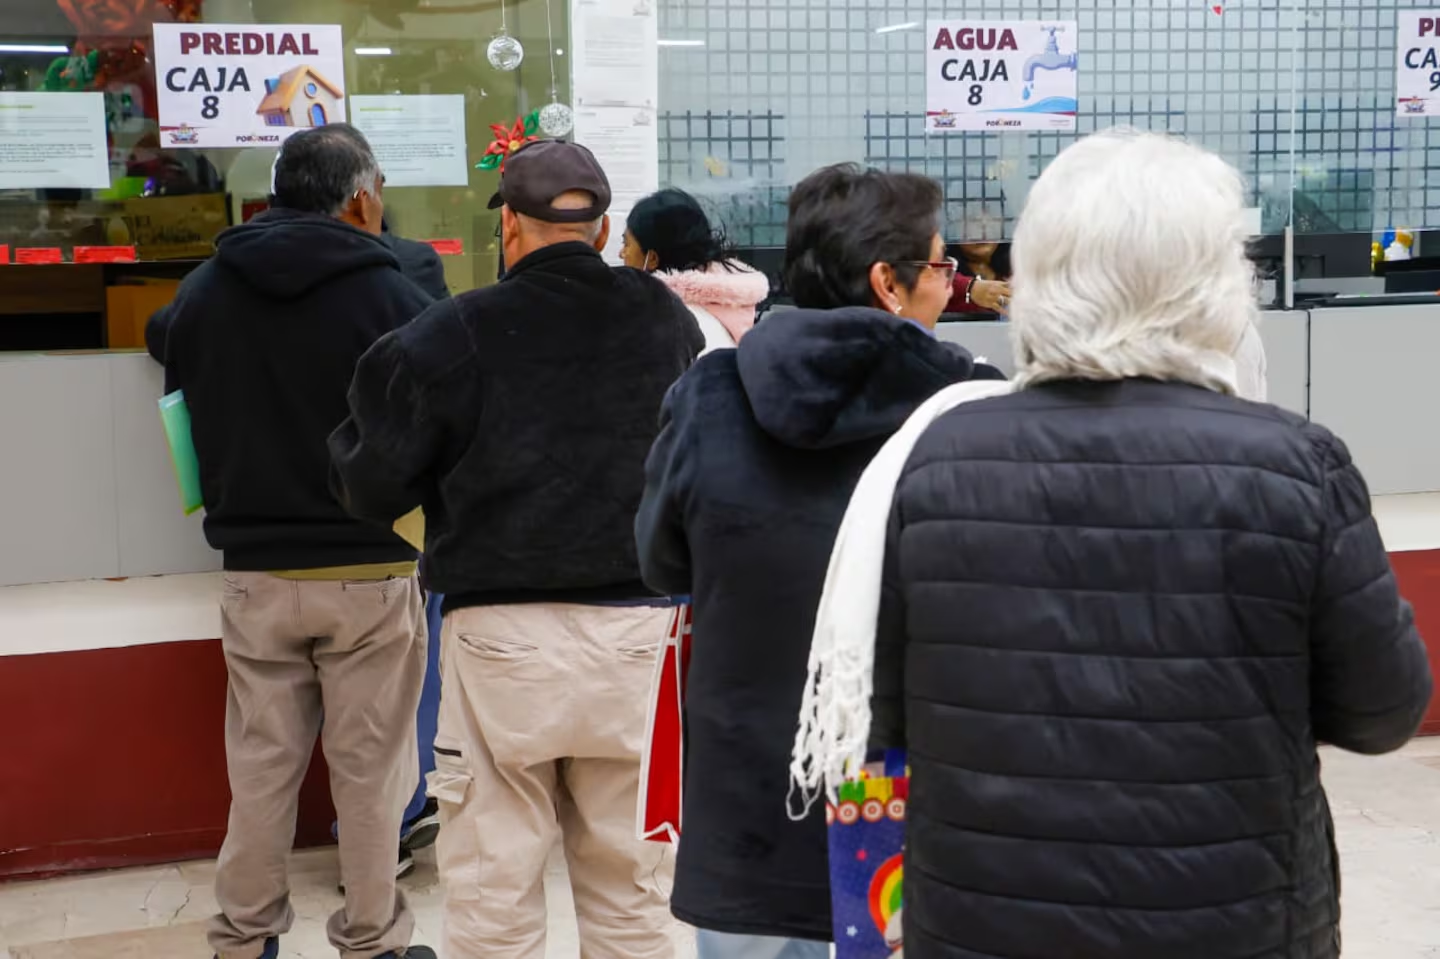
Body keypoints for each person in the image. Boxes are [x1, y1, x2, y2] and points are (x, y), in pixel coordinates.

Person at [866, 130, 1433, 957]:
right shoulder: (1291, 465)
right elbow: (1385, 710)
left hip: (984, 921)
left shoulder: (938, 456)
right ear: (1212, 282)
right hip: (1230, 919)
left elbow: (886, 710)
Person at [328, 139, 702, 959]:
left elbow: (369, 478)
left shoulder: (458, 329)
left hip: (501, 643)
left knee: (494, 884)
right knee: (636, 887)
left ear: (510, 229)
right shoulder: (665, 319)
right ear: (603, 231)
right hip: (642, 641)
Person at [634, 164, 1004, 959]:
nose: (950, 282)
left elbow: (660, 560)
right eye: (940, 264)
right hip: (920, 797)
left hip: (750, 798)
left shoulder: (711, 395)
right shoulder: (971, 408)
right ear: (888, 282)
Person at [145, 124, 437, 959]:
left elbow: (166, 337)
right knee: (373, 771)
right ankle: (373, 939)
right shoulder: (390, 294)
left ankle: (242, 940)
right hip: (370, 564)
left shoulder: (208, 286)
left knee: (262, 767)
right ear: (359, 198)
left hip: (255, 569)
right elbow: (447, 377)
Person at [621, 188, 770, 351]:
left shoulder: (673, 325)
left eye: (627, 244)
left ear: (653, 259)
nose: (622, 253)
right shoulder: (726, 308)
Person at [947, 242, 1012, 314]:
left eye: (990, 229)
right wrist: (970, 287)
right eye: (971, 230)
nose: (983, 235)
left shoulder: (1015, 270)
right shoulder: (944, 280)